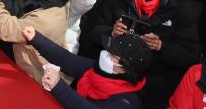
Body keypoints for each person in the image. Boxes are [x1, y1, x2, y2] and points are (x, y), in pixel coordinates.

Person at [92, 0, 202, 108]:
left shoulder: (181, 9)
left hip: (154, 89)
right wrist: (111, 33)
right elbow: (95, 30)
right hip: (115, 81)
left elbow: (190, 56)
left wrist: (161, 47)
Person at [24, 26, 152, 108]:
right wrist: (36, 38)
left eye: (113, 56)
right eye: (108, 50)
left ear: (126, 69)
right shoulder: (97, 69)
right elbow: (68, 61)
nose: (105, 55)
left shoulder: (127, 102)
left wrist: (58, 87)